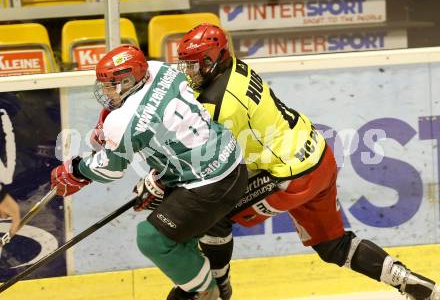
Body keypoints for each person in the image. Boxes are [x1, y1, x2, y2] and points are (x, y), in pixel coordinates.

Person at [175, 23, 440, 300]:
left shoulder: (220, 104)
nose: (190, 72)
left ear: (213, 60)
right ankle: (416, 285)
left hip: (290, 177)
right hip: (318, 156)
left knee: (213, 215)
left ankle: (216, 290)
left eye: (194, 65)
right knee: (334, 246)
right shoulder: (236, 67)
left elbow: (213, 161)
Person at [50, 44, 247, 300]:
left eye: (111, 84)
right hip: (228, 159)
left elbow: (110, 168)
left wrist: (76, 170)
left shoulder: (124, 121)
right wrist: (161, 176)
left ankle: (207, 293)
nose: (106, 90)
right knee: (175, 238)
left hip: (209, 183)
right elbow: (165, 128)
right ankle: (206, 286)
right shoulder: (159, 69)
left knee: (151, 238)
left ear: (129, 81)